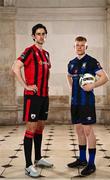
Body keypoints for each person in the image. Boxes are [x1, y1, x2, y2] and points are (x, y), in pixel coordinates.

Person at [12, 23, 53, 178]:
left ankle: (38, 158)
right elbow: (15, 68)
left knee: (40, 127)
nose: (41, 36)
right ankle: (28, 165)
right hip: (33, 97)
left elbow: (47, 73)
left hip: (44, 96)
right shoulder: (29, 51)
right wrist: (26, 86)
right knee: (30, 129)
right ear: (33, 36)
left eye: (43, 34)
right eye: (38, 34)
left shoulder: (47, 54)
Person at [67, 36, 109, 176]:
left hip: (87, 103)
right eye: (77, 45)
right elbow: (69, 76)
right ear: (74, 47)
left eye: (82, 45)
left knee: (88, 131)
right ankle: (82, 159)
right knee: (79, 130)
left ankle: (91, 164)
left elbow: (105, 77)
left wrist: (93, 85)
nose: (79, 47)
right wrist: (73, 88)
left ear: (86, 47)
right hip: (75, 102)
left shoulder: (91, 62)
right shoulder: (71, 63)